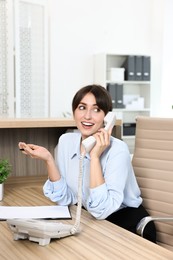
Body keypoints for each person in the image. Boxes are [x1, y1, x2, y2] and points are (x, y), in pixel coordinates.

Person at [19, 84, 156, 243]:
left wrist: (95, 157)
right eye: (82, 107)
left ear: (107, 117)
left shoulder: (118, 150)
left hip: (128, 226)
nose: (88, 116)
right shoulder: (66, 141)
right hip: (93, 220)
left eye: (96, 109)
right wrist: (48, 159)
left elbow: (102, 210)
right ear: (74, 112)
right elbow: (66, 198)